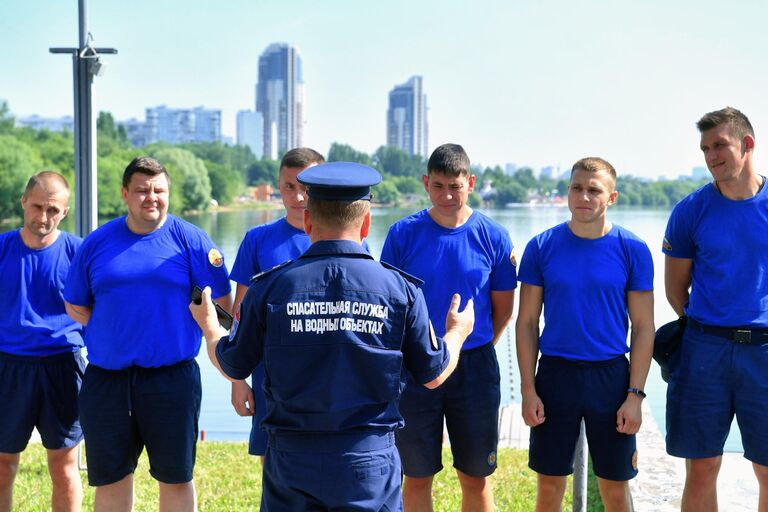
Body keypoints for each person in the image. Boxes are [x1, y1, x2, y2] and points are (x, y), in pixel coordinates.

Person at [190, 161, 475, 511]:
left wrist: (210, 328)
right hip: (368, 462)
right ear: (367, 223)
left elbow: (234, 365)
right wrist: (457, 333)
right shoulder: (401, 291)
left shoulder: (270, 288)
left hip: (292, 461)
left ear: (309, 222)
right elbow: (433, 375)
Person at [63, 156, 231, 512]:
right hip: (107, 382)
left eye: (159, 190)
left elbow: (221, 305)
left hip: (172, 381)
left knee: (176, 477)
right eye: (141, 190)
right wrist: (117, 328)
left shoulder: (191, 240)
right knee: (110, 479)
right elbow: (76, 305)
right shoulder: (96, 243)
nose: (151, 197)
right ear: (125, 193)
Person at [380, 143, 517, 511]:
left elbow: (503, 309)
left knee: (475, 477)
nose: (446, 195)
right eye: (438, 186)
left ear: (470, 183)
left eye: (454, 186)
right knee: (417, 475)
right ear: (426, 183)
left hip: (474, 368)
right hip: (415, 368)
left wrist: (468, 346)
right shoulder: (402, 234)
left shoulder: (494, 236)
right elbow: (390, 306)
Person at [515, 157, 655, 512]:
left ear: (612, 197)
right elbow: (527, 322)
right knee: (549, 487)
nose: (584, 196)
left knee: (614, 489)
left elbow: (643, 328)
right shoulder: (541, 246)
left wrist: (635, 395)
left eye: (594, 190)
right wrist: (529, 390)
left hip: (610, 377)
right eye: (577, 187)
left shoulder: (633, 249)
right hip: (556, 375)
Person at [663, 107, 768, 511]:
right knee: (703, 466)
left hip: (764, 352)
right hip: (705, 350)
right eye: (705, 148)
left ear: (748, 144)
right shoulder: (691, 210)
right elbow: (676, 291)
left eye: (719, 145)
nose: (711, 155)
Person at [229, 147, 325, 459]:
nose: (299, 197)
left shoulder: (346, 237)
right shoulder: (258, 239)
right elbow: (239, 316)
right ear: (278, 188)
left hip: (327, 370)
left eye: (307, 188)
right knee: (274, 466)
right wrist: (238, 379)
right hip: (271, 374)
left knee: (326, 463)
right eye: (290, 187)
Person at [0, 172, 84, 512]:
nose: (43, 217)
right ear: (23, 202)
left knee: (64, 467)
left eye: (53, 209)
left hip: (63, 365)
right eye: (37, 207)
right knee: (3, 465)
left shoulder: (79, 254)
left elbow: (102, 312)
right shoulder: (3, 248)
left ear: (64, 211)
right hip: (8, 366)